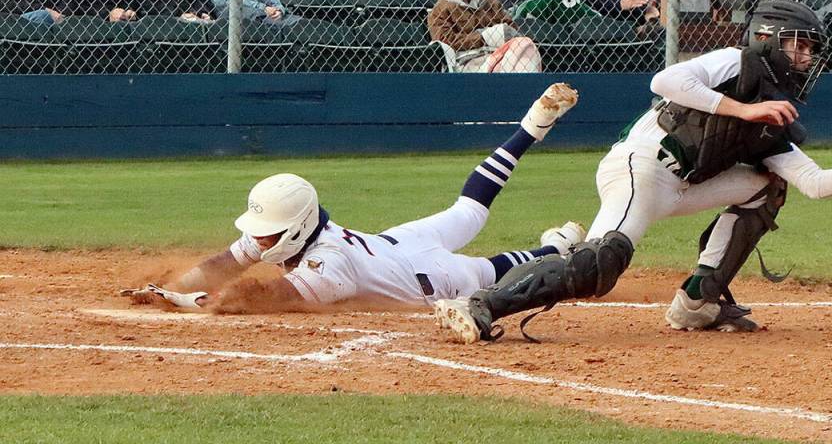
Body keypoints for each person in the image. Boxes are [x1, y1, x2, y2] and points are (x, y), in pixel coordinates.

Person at [434, 0, 832, 344]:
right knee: (598, 266)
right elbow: (666, 79)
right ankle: (480, 304)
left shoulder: (775, 114)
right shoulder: (735, 62)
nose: (805, 57)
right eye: (798, 45)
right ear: (768, 39)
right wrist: (743, 110)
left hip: (682, 184)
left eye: (810, 50)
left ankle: (698, 302)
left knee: (766, 185)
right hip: (643, 166)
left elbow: (816, 184)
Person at [124, 84, 581, 313]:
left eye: (268, 236)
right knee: (467, 210)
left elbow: (259, 298)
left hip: (431, 276)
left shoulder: (328, 264)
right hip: (395, 242)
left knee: (495, 267)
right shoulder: (288, 232)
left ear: (297, 228)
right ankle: (529, 136)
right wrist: (174, 285)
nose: (259, 243)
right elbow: (226, 263)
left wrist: (185, 302)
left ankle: (557, 247)